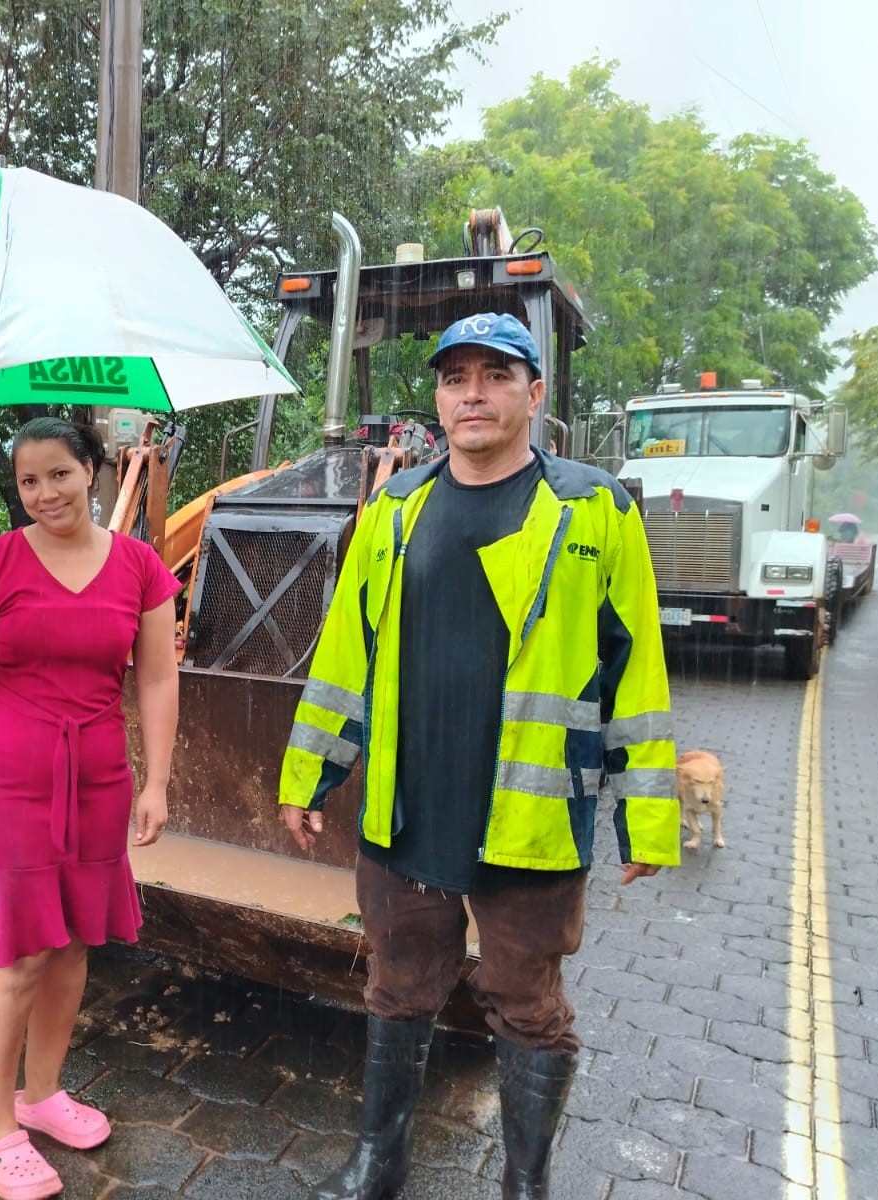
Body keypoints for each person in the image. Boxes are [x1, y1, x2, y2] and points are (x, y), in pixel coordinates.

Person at [279, 313, 680, 1200]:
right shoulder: (394, 508)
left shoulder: (592, 508)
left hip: (530, 818)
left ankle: (524, 1184)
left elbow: (636, 667)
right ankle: (379, 1163)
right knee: (396, 990)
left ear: (534, 395)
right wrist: (310, 775)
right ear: (436, 398)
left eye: (496, 376)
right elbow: (346, 653)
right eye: (456, 376)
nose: (474, 392)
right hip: (406, 806)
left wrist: (649, 815)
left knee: (528, 1008)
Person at [0, 417, 180, 1200]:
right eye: (27, 482)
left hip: (99, 771)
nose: (44, 493)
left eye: (59, 475)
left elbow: (158, 679)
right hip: (5, 773)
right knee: (19, 954)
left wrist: (158, 780)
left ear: (93, 470)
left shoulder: (141, 565)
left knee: (74, 942)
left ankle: (40, 1096)